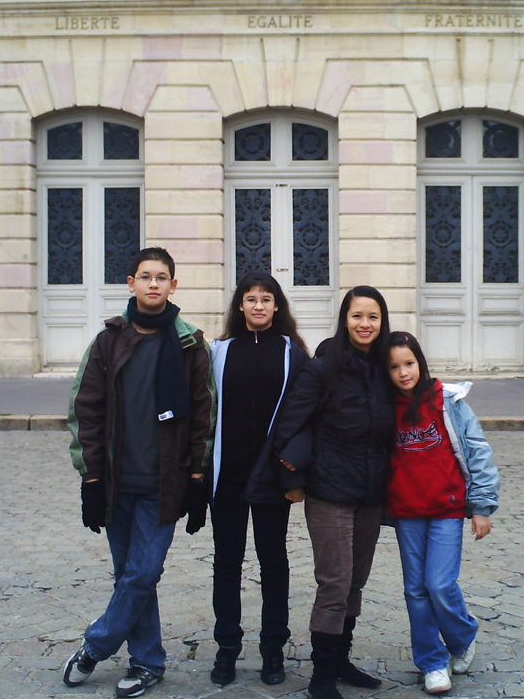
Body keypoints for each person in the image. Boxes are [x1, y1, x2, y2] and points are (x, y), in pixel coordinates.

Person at [63, 247, 214, 698]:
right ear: (131, 283)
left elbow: (204, 417)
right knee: (128, 575)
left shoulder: (190, 346)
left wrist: (197, 478)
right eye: (145, 276)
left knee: (143, 573)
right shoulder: (108, 341)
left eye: (161, 277)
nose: (153, 283)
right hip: (116, 482)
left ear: (173, 285)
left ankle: (95, 646)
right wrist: (90, 478)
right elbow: (84, 410)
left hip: (164, 482)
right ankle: (147, 662)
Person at [274, 286, 394, 699]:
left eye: (373, 317)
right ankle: (321, 677)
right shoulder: (323, 369)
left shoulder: (385, 368)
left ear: (382, 322)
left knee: (355, 582)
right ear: (345, 319)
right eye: (357, 315)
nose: (365, 324)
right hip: (330, 492)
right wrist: (293, 481)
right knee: (335, 584)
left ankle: (341, 660)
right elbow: (288, 426)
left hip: (370, 495)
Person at [208, 272, 310, 687]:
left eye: (266, 299)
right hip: (228, 475)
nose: (258, 306)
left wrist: (295, 465)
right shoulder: (218, 351)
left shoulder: (292, 353)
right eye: (251, 299)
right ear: (240, 306)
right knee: (226, 562)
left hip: (270, 475)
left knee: (273, 561)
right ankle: (227, 648)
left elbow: (305, 413)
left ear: (277, 306)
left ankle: (273, 650)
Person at [386, 331, 500, 695]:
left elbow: (477, 451)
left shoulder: (447, 401)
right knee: (416, 589)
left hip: (446, 509)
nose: (403, 373)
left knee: (439, 583)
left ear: (420, 362)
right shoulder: (384, 407)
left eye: (409, 363)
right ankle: (432, 662)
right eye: (394, 367)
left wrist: (481, 507)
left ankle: (462, 636)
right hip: (406, 511)